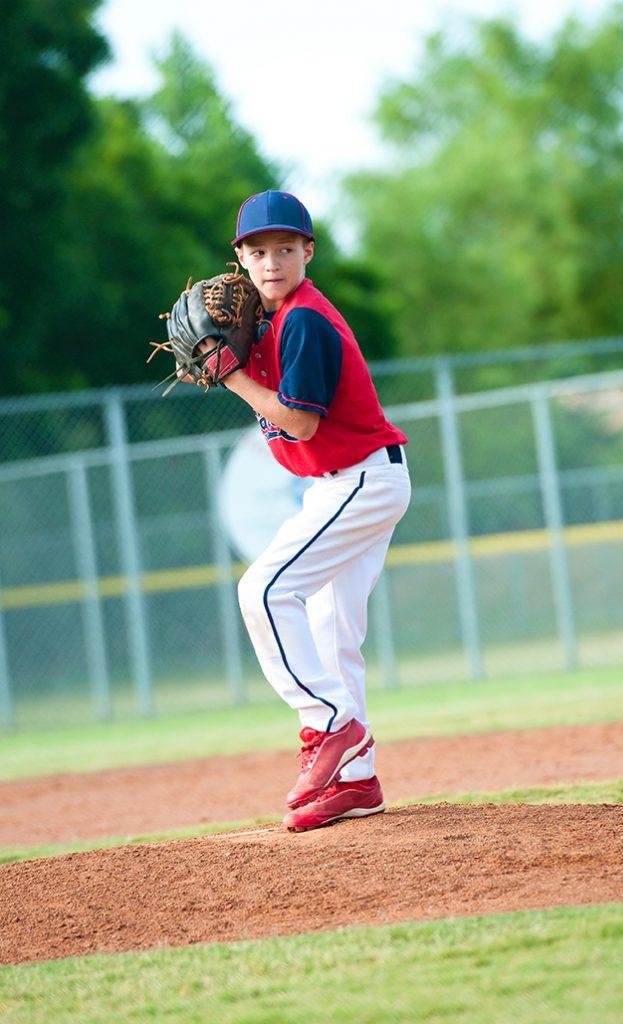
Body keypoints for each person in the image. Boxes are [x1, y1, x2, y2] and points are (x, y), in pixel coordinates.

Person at [220, 189, 410, 831]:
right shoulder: (272, 325)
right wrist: (239, 358)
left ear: (307, 251)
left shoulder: (302, 319)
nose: (270, 261)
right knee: (332, 636)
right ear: (240, 259)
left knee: (264, 590)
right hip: (350, 482)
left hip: (359, 479)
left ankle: (331, 725)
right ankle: (357, 783)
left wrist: (233, 378)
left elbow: (298, 424)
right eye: (257, 250)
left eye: (284, 248)